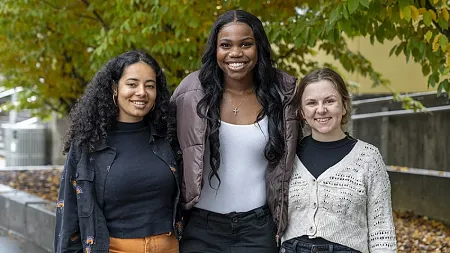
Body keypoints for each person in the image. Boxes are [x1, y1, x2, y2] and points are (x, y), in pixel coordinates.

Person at [171, 9, 299, 253]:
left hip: (258, 230)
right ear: (215, 50)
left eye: (246, 44)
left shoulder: (282, 94)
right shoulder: (190, 92)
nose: (235, 53)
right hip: (200, 229)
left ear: (259, 47)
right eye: (226, 45)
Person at [54, 50, 182, 253]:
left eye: (150, 85)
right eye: (132, 84)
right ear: (114, 87)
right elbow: (68, 213)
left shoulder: (168, 137)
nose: (141, 92)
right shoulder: (88, 145)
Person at [281, 68, 397, 253]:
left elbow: (381, 228)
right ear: (302, 112)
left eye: (330, 101)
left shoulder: (368, 158)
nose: (321, 109)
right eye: (311, 103)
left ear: (344, 106)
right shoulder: (287, 156)